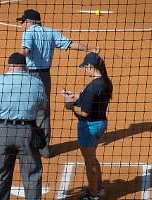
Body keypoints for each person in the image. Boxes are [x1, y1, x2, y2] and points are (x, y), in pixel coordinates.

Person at [16, 9, 100, 158]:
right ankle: (44, 148)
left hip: (29, 76)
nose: (22, 24)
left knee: (25, 108)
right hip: (44, 77)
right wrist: (90, 49)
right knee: (43, 110)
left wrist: (17, 58)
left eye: (23, 22)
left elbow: (26, 50)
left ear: (30, 22)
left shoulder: (28, 32)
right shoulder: (50, 32)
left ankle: (25, 147)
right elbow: (70, 44)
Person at [0, 52, 47, 200]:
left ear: (9, 65)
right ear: (24, 66)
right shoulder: (36, 82)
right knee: (32, 173)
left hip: (2, 132)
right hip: (27, 132)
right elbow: (42, 105)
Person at [62, 52, 113, 200]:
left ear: (91, 67)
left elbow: (84, 112)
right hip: (100, 123)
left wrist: (70, 106)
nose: (84, 69)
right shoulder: (105, 82)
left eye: (85, 67)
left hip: (89, 126)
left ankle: (93, 194)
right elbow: (88, 97)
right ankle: (100, 186)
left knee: (89, 161)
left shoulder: (92, 86)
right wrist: (75, 95)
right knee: (92, 157)